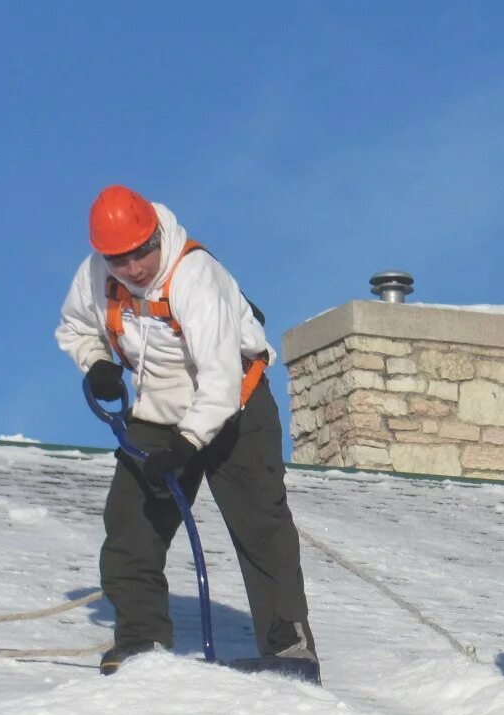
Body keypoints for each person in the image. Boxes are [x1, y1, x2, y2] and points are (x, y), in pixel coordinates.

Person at [56, 185, 317, 676]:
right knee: (129, 525)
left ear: (155, 235)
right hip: (158, 410)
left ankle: (287, 648)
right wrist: (97, 364)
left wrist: (186, 445)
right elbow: (74, 326)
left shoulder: (196, 277)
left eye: (140, 252)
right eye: (118, 259)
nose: (132, 268)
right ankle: (140, 645)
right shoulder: (96, 276)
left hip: (236, 405)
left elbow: (220, 379)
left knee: (262, 527)